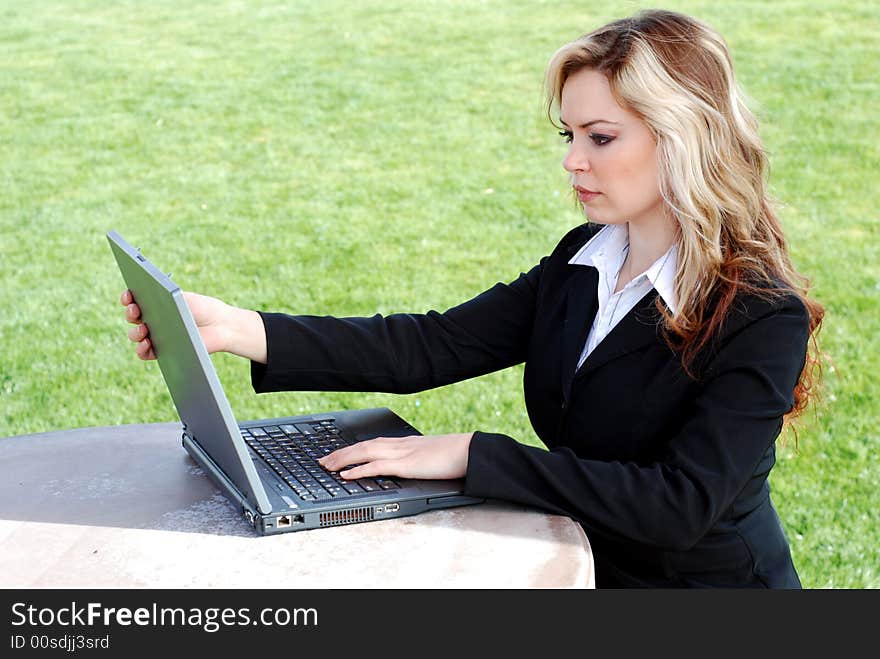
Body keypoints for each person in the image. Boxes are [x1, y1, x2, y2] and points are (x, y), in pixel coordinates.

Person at [120, 9, 824, 588]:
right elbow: (431, 345)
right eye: (569, 134)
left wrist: (471, 453)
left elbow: (679, 504)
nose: (572, 160)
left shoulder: (761, 313)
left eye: (601, 137)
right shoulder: (583, 259)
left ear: (684, 138)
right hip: (578, 565)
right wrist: (239, 328)